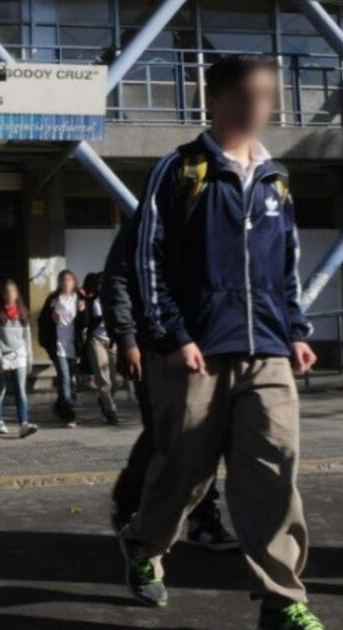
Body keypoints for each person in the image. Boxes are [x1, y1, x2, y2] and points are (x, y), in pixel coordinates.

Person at [120, 55, 323, 630]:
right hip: (196, 356)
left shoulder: (276, 178)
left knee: (273, 476)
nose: (262, 106)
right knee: (185, 474)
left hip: (269, 356)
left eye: (268, 95)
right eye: (249, 95)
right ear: (217, 101)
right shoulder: (181, 170)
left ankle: (284, 601)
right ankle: (143, 543)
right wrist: (171, 334)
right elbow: (146, 259)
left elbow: (287, 267)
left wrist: (297, 330)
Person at [103, 193, 237, 551]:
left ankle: (202, 517)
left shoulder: (207, 225)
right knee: (166, 437)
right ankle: (130, 504)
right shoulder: (140, 228)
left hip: (209, 348)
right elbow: (116, 282)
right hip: (158, 351)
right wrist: (127, 339)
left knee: (208, 437)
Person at [0, 280, 37, 439]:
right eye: (6, 292)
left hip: (19, 354)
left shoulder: (22, 312)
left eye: (13, 292)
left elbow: (27, 337)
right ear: (2, 294)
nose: (10, 295)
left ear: (17, 294)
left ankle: (24, 424)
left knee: (21, 390)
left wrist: (29, 358)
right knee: (0, 389)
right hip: (1, 355)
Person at [38, 269, 85, 427]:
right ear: (59, 282)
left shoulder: (80, 298)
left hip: (74, 345)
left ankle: (59, 406)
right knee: (65, 379)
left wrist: (83, 311)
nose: (66, 283)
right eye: (63, 280)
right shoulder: (53, 299)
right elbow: (42, 319)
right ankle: (70, 415)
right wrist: (51, 317)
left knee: (69, 380)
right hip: (58, 344)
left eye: (69, 280)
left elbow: (85, 323)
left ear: (74, 282)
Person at [83, 272, 119, 424]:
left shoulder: (116, 300)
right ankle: (111, 410)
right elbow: (85, 321)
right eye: (100, 284)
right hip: (96, 340)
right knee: (103, 379)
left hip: (113, 341)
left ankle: (103, 400)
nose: (103, 287)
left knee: (116, 380)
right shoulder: (91, 301)